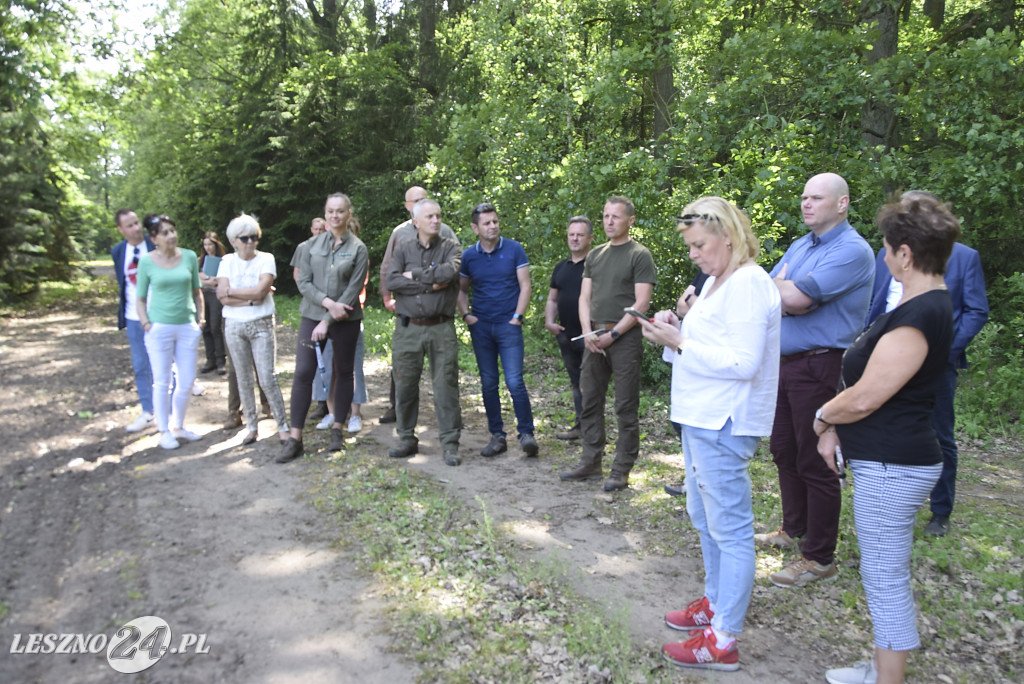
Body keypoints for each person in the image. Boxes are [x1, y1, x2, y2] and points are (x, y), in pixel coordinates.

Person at [814, 193, 959, 684]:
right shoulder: (922, 304)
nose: (884, 255)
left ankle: (888, 678)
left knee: (884, 576)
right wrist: (836, 425)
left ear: (906, 254)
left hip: (893, 463)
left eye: (886, 247)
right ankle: (883, 665)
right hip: (889, 458)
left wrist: (823, 417)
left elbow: (868, 395)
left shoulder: (920, 314)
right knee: (884, 570)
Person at [640, 197, 780, 671]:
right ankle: (715, 602)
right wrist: (675, 329)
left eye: (700, 244)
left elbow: (744, 363)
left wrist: (679, 341)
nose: (694, 255)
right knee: (704, 517)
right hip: (701, 417)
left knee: (732, 530)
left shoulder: (748, 283)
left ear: (728, 235)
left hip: (725, 421)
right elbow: (710, 345)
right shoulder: (720, 282)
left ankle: (723, 639)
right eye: (690, 247)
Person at [759, 173, 874, 588]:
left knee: (816, 457)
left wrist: (786, 294)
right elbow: (768, 294)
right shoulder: (800, 245)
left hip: (820, 365)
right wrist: (783, 292)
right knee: (784, 449)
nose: (806, 204)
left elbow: (797, 299)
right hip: (784, 363)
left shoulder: (853, 251)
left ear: (841, 204)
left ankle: (819, 557)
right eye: (804, 197)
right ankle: (794, 529)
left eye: (817, 198)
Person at [865, 191, 989, 538]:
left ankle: (940, 511)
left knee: (939, 433)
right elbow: (876, 301)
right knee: (883, 425)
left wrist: (944, 349)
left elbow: (977, 310)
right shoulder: (884, 253)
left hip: (936, 362)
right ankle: (887, 500)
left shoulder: (963, 257)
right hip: (886, 353)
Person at [559, 196, 656, 491]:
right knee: (590, 401)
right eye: (605, 216)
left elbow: (642, 302)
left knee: (625, 405)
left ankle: (621, 469)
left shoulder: (639, 255)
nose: (609, 221)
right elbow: (584, 298)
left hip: (624, 338)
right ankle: (591, 461)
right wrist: (588, 332)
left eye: (615, 216)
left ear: (630, 221)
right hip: (594, 339)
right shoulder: (596, 255)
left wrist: (614, 335)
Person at [281, 193, 369, 463]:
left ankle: (337, 430)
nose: (335, 216)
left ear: (348, 213)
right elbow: (303, 283)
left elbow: (354, 290)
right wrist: (327, 304)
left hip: (346, 319)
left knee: (343, 372)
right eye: (330, 211)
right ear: (325, 212)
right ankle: (295, 439)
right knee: (303, 372)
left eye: (340, 211)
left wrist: (329, 318)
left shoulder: (358, 249)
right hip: (312, 315)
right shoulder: (309, 246)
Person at [458, 202, 538, 458]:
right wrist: (467, 315)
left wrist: (517, 317)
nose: (492, 226)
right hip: (481, 326)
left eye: (495, 221)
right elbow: (460, 289)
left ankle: (526, 434)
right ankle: (497, 436)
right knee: (489, 382)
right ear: (475, 228)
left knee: (515, 381)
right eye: (486, 223)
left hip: (508, 326)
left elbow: (525, 285)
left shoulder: (514, 249)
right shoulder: (469, 256)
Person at [385, 199, 463, 466]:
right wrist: (430, 282)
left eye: (438, 215)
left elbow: (448, 274)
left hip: (441, 327)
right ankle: (406, 438)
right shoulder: (403, 248)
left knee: (446, 386)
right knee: (404, 384)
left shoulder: (451, 246)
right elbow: (391, 280)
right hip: (407, 328)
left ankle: (450, 444)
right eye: (430, 216)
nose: (436, 220)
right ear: (416, 221)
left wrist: (413, 276)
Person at [216, 214, 289, 446]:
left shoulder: (266, 258)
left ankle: (283, 427)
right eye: (245, 238)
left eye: (254, 237)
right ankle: (251, 426)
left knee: (267, 377)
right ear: (234, 241)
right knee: (243, 378)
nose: (250, 242)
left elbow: (260, 292)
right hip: (234, 326)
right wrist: (249, 297)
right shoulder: (226, 261)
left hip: (261, 323)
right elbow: (221, 295)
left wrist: (234, 293)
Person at [135, 213, 204, 450]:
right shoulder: (146, 261)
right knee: (162, 382)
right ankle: (163, 430)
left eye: (172, 231)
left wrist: (200, 319)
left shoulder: (189, 257)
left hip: (186, 326)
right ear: (154, 238)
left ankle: (178, 426)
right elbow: (140, 298)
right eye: (165, 233)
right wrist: (146, 323)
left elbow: (197, 291)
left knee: (185, 381)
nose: (171, 236)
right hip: (159, 327)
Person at [544, 215, 594, 440]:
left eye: (580, 235)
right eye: (571, 234)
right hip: (566, 334)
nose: (575, 239)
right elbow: (552, 299)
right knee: (576, 382)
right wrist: (549, 322)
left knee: (591, 383)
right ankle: (580, 426)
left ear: (590, 238)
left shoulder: (595, 265)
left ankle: (593, 429)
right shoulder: (560, 267)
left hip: (590, 335)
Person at [111, 209, 156, 432]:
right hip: (133, 317)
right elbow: (124, 285)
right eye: (130, 225)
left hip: (159, 314)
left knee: (165, 364)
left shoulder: (155, 244)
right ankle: (148, 411)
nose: (136, 228)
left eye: (137, 223)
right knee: (140, 366)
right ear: (121, 229)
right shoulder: (118, 252)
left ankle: (170, 411)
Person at [291, 217, 333, 427]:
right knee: (307, 367)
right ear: (311, 229)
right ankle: (317, 405)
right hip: (311, 310)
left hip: (336, 313)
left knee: (335, 364)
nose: (318, 232)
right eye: (314, 229)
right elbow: (299, 278)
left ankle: (336, 411)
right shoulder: (304, 248)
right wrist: (319, 297)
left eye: (320, 228)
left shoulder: (338, 246)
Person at [198, 232, 228, 375]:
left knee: (216, 326)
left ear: (216, 244)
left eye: (210, 244)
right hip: (203, 294)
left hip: (216, 295)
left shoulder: (223, 260)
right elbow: (196, 278)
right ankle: (210, 359)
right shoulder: (200, 261)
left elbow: (219, 280)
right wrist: (206, 280)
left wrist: (207, 278)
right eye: (205, 245)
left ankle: (221, 360)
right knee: (206, 327)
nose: (208, 247)